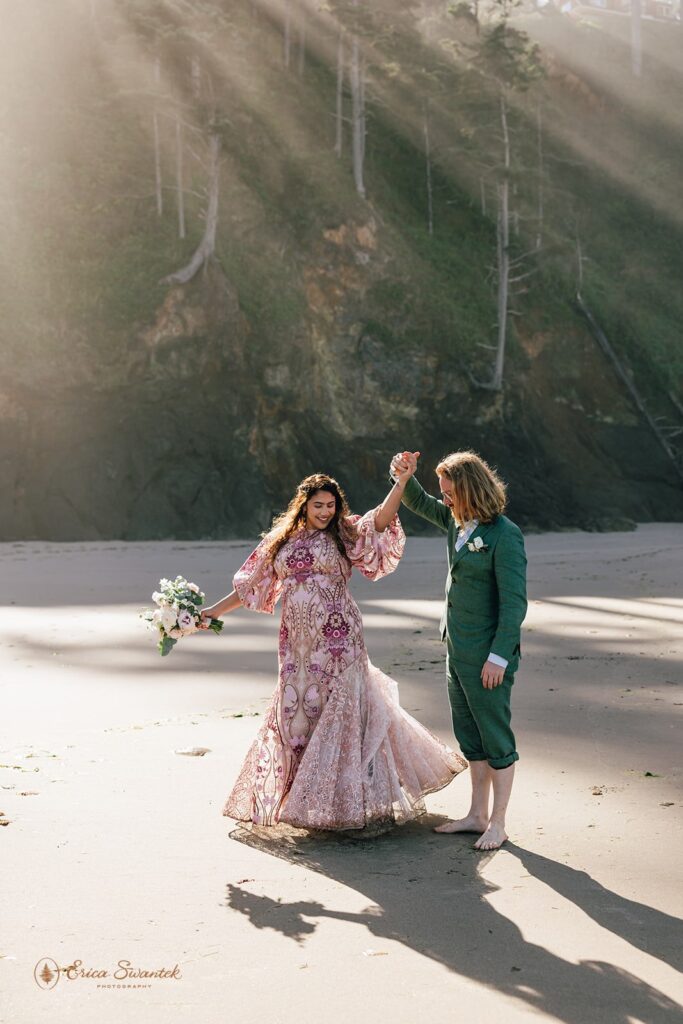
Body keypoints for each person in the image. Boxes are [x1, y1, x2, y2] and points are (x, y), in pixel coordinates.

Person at [199, 471, 466, 832]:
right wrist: (212, 611)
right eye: (318, 506)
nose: (325, 512)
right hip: (296, 645)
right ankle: (305, 800)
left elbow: (380, 521)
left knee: (342, 712)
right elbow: (251, 587)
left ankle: (347, 804)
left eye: (330, 505)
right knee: (297, 714)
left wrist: (400, 485)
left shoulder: (344, 533)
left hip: (340, 640)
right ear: (303, 505)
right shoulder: (281, 541)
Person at [390, 450, 527, 851]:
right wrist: (402, 473)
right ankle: (477, 815)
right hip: (456, 648)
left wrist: (498, 657)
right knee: (470, 735)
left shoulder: (505, 535)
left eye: (450, 494)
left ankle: (498, 823)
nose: (445, 501)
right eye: (443, 494)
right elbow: (416, 501)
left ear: (470, 490)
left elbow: (514, 603)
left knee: (496, 736)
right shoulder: (457, 524)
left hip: (488, 657)